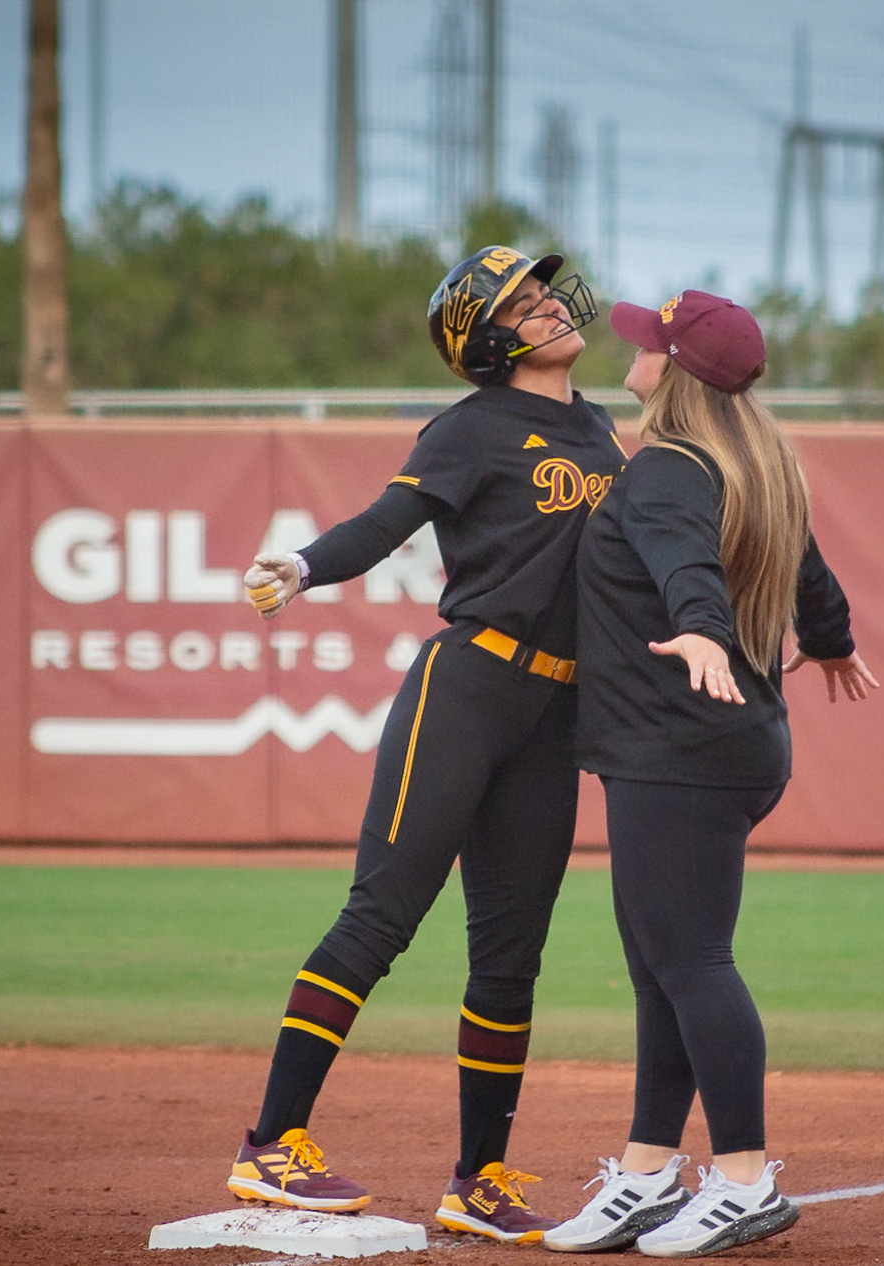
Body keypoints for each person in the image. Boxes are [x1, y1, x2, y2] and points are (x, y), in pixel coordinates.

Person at [226, 245, 625, 1243]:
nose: (546, 307)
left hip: (555, 715)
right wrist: (306, 563)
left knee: (510, 956)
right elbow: (385, 523)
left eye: (544, 293)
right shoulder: (474, 427)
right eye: (522, 304)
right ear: (488, 340)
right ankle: (272, 1143)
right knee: (382, 918)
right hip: (469, 689)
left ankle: (478, 1179)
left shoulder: (601, 429)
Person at [543, 290, 879, 1257]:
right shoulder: (757, 459)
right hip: (717, 744)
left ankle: (744, 1179)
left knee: (690, 963)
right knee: (662, 968)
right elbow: (811, 576)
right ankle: (648, 1172)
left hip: (680, 748)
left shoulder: (668, 471)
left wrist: (697, 624)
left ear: (679, 371)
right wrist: (833, 643)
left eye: (649, 346)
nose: (633, 353)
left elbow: (682, 560)